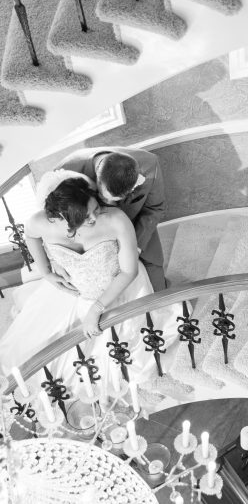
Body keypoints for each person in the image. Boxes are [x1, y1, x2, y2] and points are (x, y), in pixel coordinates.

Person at [0, 171, 182, 399]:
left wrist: (96, 308)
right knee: (44, 357)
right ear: (61, 218)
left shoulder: (114, 219)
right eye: (86, 217)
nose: (95, 218)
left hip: (120, 287)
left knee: (131, 349)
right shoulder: (42, 223)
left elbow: (129, 271)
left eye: (96, 208)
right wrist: (47, 271)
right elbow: (30, 235)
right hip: (75, 292)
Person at [57, 147, 168, 291]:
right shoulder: (66, 172)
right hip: (97, 247)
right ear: (97, 179)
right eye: (103, 198)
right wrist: (54, 260)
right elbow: (52, 217)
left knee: (158, 290)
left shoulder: (150, 165)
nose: (109, 204)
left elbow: (155, 208)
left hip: (139, 230)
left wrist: (136, 246)